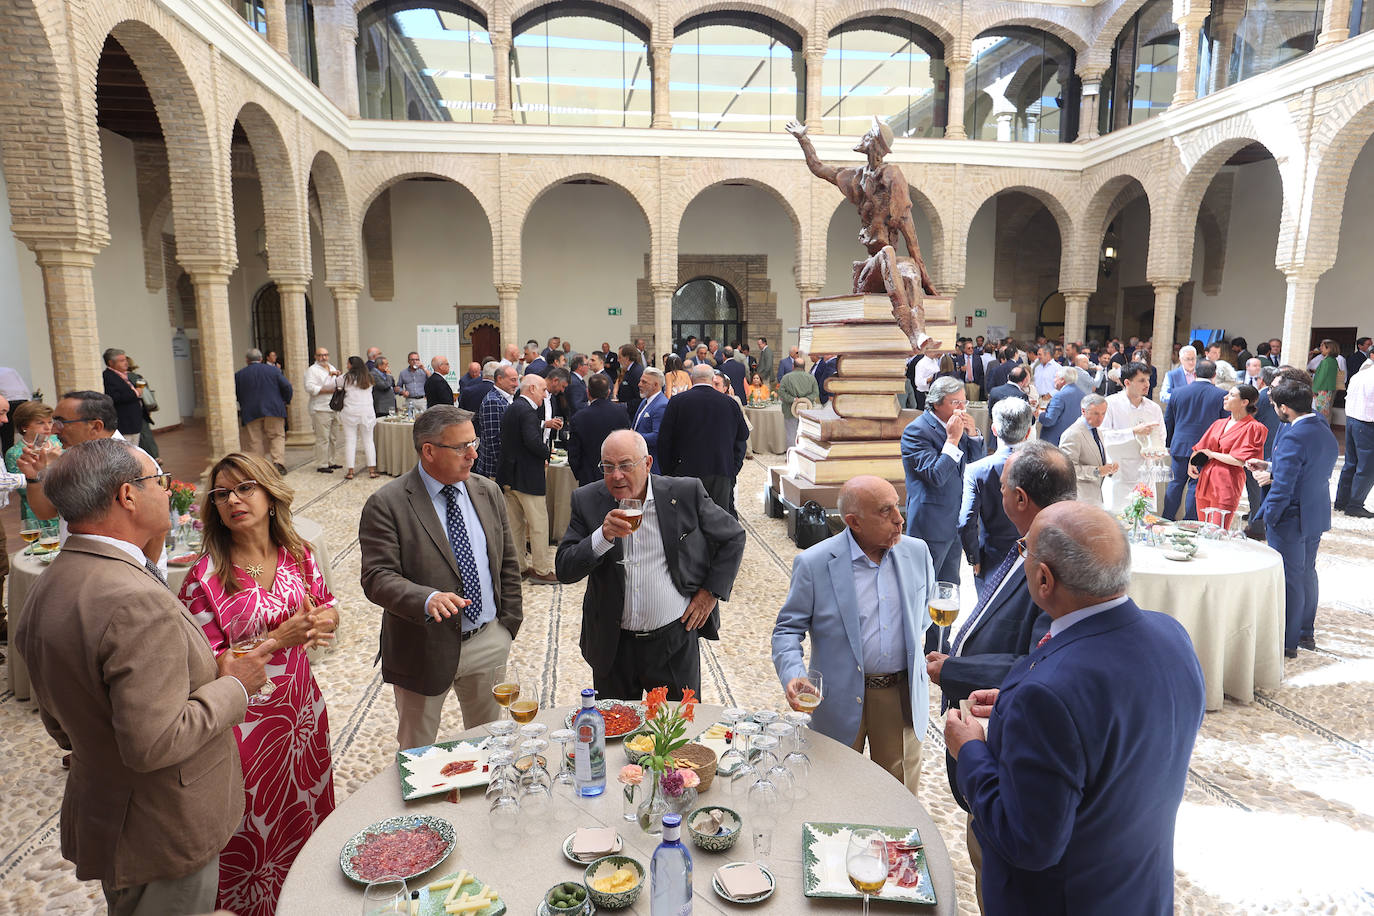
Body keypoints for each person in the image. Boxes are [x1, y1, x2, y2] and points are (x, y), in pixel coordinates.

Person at [15, 438, 274, 916]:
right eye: (159, 481)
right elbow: (154, 743)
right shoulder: (132, 598)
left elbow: (58, 720)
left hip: (110, 814)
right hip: (161, 828)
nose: (168, 492)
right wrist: (234, 684)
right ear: (127, 496)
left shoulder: (52, 581)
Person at [944, 502, 1205, 916]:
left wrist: (971, 749)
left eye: (1025, 550)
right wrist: (1013, 707)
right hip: (1138, 891)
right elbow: (1106, 726)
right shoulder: (1172, 635)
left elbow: (1027, 841)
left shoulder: (1047, 697)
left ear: (1044, 579)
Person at [178, 454, 337, 915]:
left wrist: (323, 618)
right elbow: (207, 669)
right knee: (255, 829)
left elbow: (326, 604)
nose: (233, 500)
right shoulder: (203, 580)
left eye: (244, 488)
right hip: (244, 729)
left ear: (270, 496)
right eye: (222, 494)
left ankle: (310, 901)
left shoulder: (298, 552)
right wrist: (278, 638)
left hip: (302, 715)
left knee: (306, 813)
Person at [359, 405, 522, 748]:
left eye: (473, 443)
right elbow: (377, 576)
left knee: (487, 744)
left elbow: (507, 561)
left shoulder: (487, 491)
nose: (473, 454)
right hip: (422, 647)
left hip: (488, 642)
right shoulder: (387, 503)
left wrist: (507, 625)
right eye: (462, 447)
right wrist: (427, 598)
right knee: (418, 752)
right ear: (429, 451)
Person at [771, 476, 933, 793]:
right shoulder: (814, 563)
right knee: (832, 793)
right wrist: (793, 673)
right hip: (837, 697)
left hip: (899, 697)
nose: (900, 518)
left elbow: (923, 616)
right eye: (886, 511)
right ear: (854, 522)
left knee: (897, 799)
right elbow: (787, 630)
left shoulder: (918, 553)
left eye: (897, 507)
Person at [555, 430, 744, 700]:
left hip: (673, 642)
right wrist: (602, 535)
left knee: (679, 732)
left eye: (625, 465)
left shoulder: (684, 493)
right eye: (608, 467)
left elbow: (733, 537)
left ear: (647, 463)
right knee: (616, 734)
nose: (616, 475)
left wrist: (710, 593)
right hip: (614, 645)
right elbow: (564, 568)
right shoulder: (587, 500)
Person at [901, 376, 985, 652]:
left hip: (955, 523)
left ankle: (938, 647)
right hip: (930, 524)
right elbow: (936, 476)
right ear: (937, 404)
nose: (962, 408)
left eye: (964, 401)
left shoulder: (958, 427)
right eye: (955, 402)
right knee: (921, 589)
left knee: (948, 589)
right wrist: (952, 440)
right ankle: (911, 646)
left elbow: (975, 465)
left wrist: (972, 437)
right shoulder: (917, 432)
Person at [1256, 381, 1339, 656]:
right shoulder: (1322, 427)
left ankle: (1287, 643)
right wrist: (1270, 465)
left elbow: (1283, 486)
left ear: (1284, 408)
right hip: (1315, 510)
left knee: (1289, 579)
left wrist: (1269, 515)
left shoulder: (1294, 435)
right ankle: (1306, 633)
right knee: (1306, 575)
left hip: (1291, 515)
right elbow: (1307, 467)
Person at [657, 364, 751, 516]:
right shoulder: (729, 403)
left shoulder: (677, 402)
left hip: (685, 472)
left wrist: (670, 472)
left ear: (691, 379)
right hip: (720, 471)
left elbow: (664, 441)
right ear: (713, 379)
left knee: (687, 518)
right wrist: (732, 469)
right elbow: (742, 437)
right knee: (719, 519)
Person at [958, 398, 1032, 590]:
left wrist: (973, 557)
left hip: (993, 558)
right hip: (1035, 557)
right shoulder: (1045, 465)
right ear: (1028, 432)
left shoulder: (977, 470)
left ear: (994, 430)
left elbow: (966, 522)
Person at [498, 374, 558, 583]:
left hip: (509, 476)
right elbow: (532, 442)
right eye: (542, 390)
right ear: (532, 388)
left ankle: (519, 568)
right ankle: (541, 570)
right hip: (527, 478)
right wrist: (546, 453)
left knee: (515, 525)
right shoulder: (528, 411)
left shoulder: (513, 408)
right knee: (539, 524)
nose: (544, 394)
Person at [1190, 384, 1267, 531]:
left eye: (1231, 395)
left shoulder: (1254, 428)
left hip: (1227, 483)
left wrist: (1212, 454)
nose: (1225, 397)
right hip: (1206, 480)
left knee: (1217, 532)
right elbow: (1200, 448)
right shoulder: (1218, 423)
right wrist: (1191, 462)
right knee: (1203, 529)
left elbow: (1241, 460)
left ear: (1245, 402)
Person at [1163, 358, 1226, 520]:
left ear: (1195, 373)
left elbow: (1168, 421)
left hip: (1180, 444)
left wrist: (1168, 444)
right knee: (1195, 485)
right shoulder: (1221, 395)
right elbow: (1223, 425)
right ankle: (1189, 523)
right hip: (1205, 448)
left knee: (1176, 483)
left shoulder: (1177, 392)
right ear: (1214, 375)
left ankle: (1167, 518)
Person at [1099, 362, 1165, 511]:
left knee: (1143, 519)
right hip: (1119, 472)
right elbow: (1103, 436)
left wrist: (1156, 451)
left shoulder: (1153, 408)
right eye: (1142, 380)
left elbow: (1161, 436)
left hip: (1145, 471)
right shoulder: (1110, 404)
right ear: (1127, 382)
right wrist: (1133, 432)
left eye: (1148, 380)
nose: (1147, 384)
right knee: (1117, 519)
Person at [235, 347, 293, 474]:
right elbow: (287, 386)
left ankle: (260, 467)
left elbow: (237, 393)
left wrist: (243, 403)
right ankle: (278, 463)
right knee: (277, 436)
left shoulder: (239, 375)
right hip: (274, 409)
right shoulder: (274, 370)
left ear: (246, 360)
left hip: (250, 411)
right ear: (261, 359)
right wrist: (285, 401)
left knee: (254, 439)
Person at [4, 400, 62, 525]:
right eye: (40, 423)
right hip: (36, 514)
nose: (48, 427)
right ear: (24, 426)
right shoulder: (15, 453)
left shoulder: (59, 442)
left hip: (64, 509)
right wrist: (48, 465)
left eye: (50, 422)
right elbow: (26, 490)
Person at [567, 373, 630, 486]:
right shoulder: (622, 413)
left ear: (588, 392)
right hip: (617, 475)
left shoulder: (579, 417)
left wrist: (580, 474)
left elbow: (574, 453)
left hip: (588, 476)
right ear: (609, 392)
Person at [1058, 394, 1118, 506]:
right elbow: (1066, 470)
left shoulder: (1098, 431)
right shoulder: (1072, 434)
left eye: (1103, 413)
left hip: (1096, 497)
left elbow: (1095, 461)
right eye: (1096, 413)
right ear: (1083, 411)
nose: (1100, 418)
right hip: (1079, 498)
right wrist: (1097, 471)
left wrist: (1108, 469)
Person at [1335, 358, 1374, 517]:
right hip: (1367, 423)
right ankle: (1355, 505)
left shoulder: (1360, 374)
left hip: (1352, 420)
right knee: (1367, 467)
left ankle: (1341, 501)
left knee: (1351, 463)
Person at [338, 356, 379, 480]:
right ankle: (372, 470)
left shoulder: (345, 378)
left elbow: (336, 385)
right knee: (368, 441)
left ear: (352, 365)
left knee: (350, 440)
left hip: (350, 412)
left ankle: (350, 471)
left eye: (348, 363)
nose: (347, 365)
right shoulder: (369, 378)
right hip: (367, 412)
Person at [475, 364, 518, 478]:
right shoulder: (493, 401)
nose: (516, 384)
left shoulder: (506, 399)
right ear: (499, 379)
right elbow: (494, 439)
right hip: (493, 470)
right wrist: (504, 469)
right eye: (513, 380)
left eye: (517, 380)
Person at [305, 347, 343, 473]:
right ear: (315, 357)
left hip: (334, 406)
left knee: (333, 437)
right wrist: (328, 390)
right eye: (320, 355)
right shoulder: (312, 370)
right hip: (320, 408)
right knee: (323, 438)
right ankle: (322, 464)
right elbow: (310, 387)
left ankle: (331, 461)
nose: (323, 358)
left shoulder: (331, 367)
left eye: (326, 355)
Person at [101, 348, 146, 441]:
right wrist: (135, 392)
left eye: (125, 359)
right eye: (121, 361)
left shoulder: (124, 375)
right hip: (124, 423)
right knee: (125, 451)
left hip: (134, 422)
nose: (126, 363)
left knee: (133, 451)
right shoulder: (108, 376)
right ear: (111, 363)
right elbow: (114, 397)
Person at [777, 355, 820, 446]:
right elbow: (816, 393)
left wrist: (793, 399)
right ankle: (804, 455)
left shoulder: (786, 377)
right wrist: (806, 400)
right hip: (807, 410)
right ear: (804, 367)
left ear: (793, 366)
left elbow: (781, 392)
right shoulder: (811, 378)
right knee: (805, 434)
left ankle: (791, 457)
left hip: (789, 410)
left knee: (791, 434)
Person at [630, 366, 667, 469]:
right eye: (640, 381)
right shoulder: (644, 401)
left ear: (655, 385)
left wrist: (633, 437)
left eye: (644, 382)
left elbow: (657, 436)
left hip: (652, 463)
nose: (639, 384)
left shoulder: (661, 405)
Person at [1037, 368, 1084, 445]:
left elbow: (1049, 420)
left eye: (1055, 377)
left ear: (1062, 380)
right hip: (1073, 440)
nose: (1054, 380)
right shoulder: (1082, 394)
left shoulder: (1059, 396)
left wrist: (1040, 414)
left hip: (1054, 441)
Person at [1310, 339, 1341, 418]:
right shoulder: (1334, 361)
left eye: (1322, 347)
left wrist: (1314, 390)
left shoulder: (1326, 361)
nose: (1320, 348)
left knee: (1318, 412)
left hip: (1321, 390)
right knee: (1324, 411)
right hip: (1328, 389)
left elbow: (1321, 377)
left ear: (1329, 349)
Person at [616, 344, 644, 419]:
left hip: (632, 415)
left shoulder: (636, 372)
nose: (618, 360)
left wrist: (625, 405)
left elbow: (640, 397)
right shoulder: (629, 371)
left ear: (627, 358)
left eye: (620, 357)